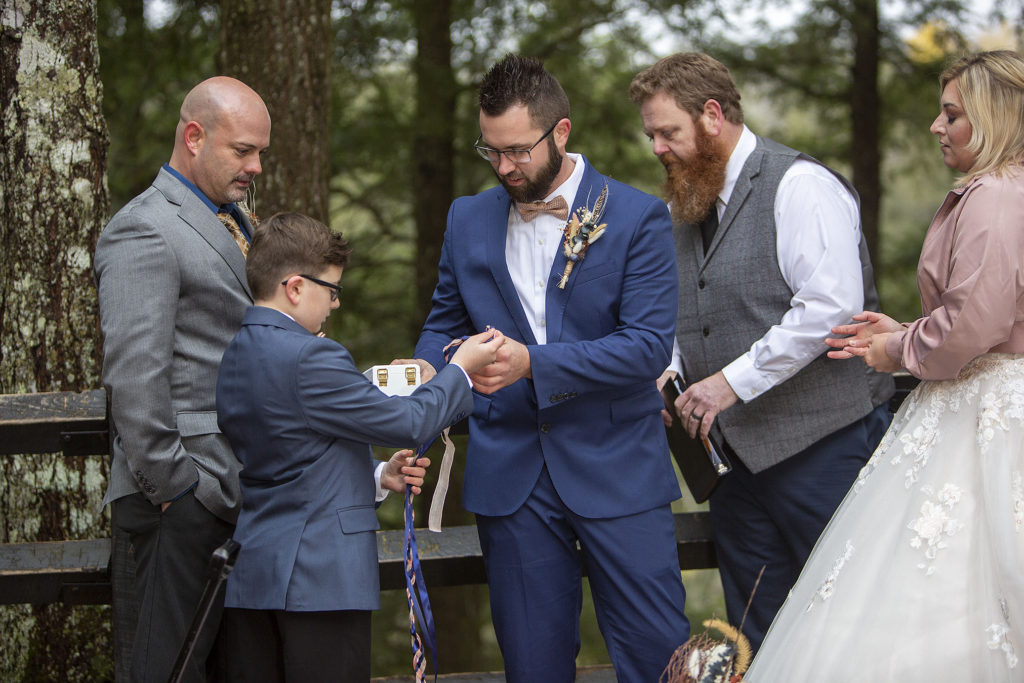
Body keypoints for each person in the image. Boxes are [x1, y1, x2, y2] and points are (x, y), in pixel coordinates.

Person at [402, 54, 690, 682]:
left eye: (518, 151)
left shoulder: (638, 216)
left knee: (658, 658)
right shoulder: (466, 218)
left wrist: (533, 363)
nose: (505, 167)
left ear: (561, 132)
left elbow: (647, 349)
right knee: (531, 667)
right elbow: (444, 321)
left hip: (618, 467)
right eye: (491, 151)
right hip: (512, 477)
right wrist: (425, 368)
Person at [745, 50, 1024, 681]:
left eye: (951, 114)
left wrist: (896, 348)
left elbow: (972, 329)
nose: (936, 125)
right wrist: (906, 328)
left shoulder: (994, 197)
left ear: (992, 119)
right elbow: (993, 316)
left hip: (984, 414)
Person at [628, 53, 894, 653]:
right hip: (733, 470)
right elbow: (675, 307)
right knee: (758, 636)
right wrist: (665, 370)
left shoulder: (800, 185)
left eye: (668, 132)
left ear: (712, 116)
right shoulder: (681, 206)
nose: (657, 149)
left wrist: (728, 383)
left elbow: (829, 309)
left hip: (825, 449)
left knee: (851, 621)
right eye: (651, 136)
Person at [213, 212, 503, 682]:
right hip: (321, 580)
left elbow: (288, 456)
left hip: (255, 575)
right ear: (294, 287)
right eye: (331, 290)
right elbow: (410, 421)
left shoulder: (238, 351)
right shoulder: (313, 355)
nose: (334, 305)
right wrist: (462, 370)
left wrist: (374, 476)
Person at [94, 76, 270, 681]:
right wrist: (174, 486)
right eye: (242, 151)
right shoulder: (144, 227)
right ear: (194, 137)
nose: (254, 166)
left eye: (260, 154)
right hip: (176, 502)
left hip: (238, 494)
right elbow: (134, 375)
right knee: (163, 672)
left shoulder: (235, 223)